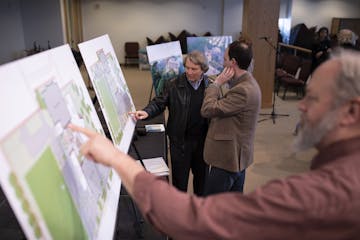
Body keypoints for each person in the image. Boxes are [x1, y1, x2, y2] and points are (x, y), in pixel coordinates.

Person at [70, 48, 360, 239]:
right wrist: (148, 111)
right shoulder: (176, 84)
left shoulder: (330, 192)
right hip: (183, 143)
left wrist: (118, 159)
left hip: (209, 148)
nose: (302, 107)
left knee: (208, 193)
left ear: (351, 112)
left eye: (313, 98)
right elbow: (161, 102)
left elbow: (201, 220)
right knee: (183, 183)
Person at [130, 51, 210, 196]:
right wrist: (147, 112)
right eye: (187, 68)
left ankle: (200, 213)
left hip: (203, 143)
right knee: (179, 184)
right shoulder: (173, 84)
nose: (189, 72)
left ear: (203, 69)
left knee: (202, 183)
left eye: (194, 69)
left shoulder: (211, 86)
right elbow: (159, 103)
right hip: (180, 143)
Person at [200, 40, 261, 195]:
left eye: (225, 59)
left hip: (227, 159)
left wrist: (216, 84)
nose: (222, 62)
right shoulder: (247, 83)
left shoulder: (243, 90)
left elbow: (207, 109)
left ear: (233, 62)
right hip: (237, 158)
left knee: (212, 207)